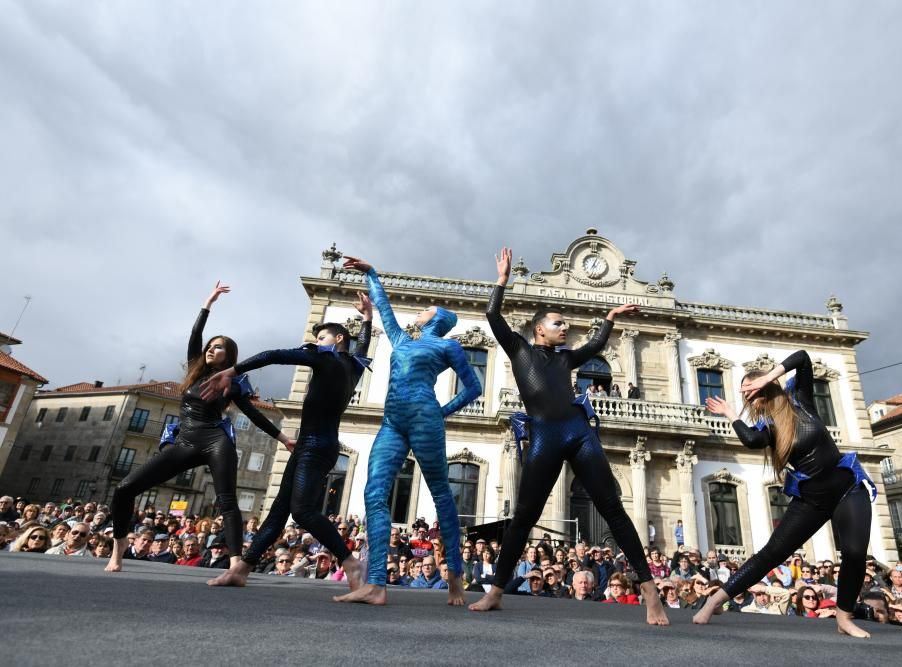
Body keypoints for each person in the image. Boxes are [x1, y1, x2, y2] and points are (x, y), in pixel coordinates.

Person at [470, 248, 667, 626]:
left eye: (565, 325)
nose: (565, 328)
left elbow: (593, 347)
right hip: (543, 435)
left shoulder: (565, 360)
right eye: (558, 324)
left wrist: (609, 318)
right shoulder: (520, 350)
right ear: (539, 328)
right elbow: (493, 316)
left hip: (578, 433)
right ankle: (496, 591)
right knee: (523, 518)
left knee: (613, 508)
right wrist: (502, 281)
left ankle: (649, 590)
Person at [106, 282, 292, 574]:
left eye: (218, 347)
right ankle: (118, 551)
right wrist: (208, 303)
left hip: (216, 440)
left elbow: (254, 415)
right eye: (210, 346)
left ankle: (234, 566)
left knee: (227, 500)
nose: (210, 349)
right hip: (186, 441)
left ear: (229, 357)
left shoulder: (233, 382)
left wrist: (283, 438)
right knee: (124, 488)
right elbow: (195, 335)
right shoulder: (195, 368)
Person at [696, 350, 876, 638]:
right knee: (772, 553)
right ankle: (716, 600)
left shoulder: (801, 401)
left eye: (750, 392)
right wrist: (731, 413)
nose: (749, 399)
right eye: (745, 396)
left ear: (767, 387)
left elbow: (803, 358)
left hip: (847, 487)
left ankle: (844, 618)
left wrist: (767, 375)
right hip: (811, 500)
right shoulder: (767, 428)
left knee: (855, 553)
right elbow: (752, 440)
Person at [335, 256, 482, 607]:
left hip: (423, 418)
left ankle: (456, 579)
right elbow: (384, 308)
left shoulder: (449, 346)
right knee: (374, 492)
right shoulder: (400, 340)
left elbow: (473, 387)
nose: (419, 311)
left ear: (437, 319)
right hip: (392, 421)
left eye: (426, 309)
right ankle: (375, 584)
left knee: (441, 493)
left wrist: (440, 411)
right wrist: (371, 273)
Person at [201, 292, 373, 588]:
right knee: (280, 509)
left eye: (323, 337)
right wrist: (367, 319)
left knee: (302, 511)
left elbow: (274, 355)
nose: (318, 342)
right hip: (314, 445)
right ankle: (241, 569)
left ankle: (350, 561)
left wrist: (232, 370)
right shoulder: (354, 365)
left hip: (316, 446)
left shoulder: (326, 359)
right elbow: (362, 345)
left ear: (339, 340)